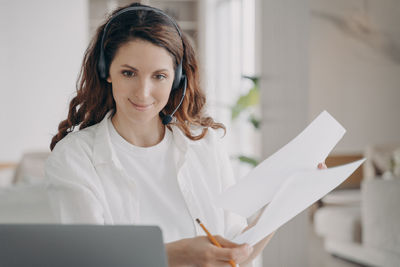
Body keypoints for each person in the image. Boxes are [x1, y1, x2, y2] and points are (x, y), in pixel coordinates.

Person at [46, 2, 326, 266]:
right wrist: (176, 255)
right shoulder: (75, 157)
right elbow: (88, 259)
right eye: (129, 73)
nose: (143, 92)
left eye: (159, 76)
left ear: (177, 77)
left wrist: (286, 202)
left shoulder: (204, 144)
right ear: (106, 71)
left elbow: (236, 250)